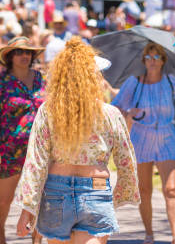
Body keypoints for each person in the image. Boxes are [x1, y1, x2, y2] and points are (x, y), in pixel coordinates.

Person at [15, 37, 139, 243]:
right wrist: (119, 195)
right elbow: (126, 160)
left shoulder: (48, 111)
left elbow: (35, 161)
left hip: (56, 189)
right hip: (96, 186)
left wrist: (27, 208)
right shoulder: (110, 113)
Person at [112, 42, 175, 244]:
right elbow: (115, 107)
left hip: (166, 139)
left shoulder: (171, 82)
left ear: (163, 60)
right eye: (148, 57)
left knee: (171, 189)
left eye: (156, 57)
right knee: (145, 190)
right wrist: (128, 113)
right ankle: (149, 234)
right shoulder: (135, 83)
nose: (152, 61)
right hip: (141, 139)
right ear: (143, 60)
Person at [0, 36, 45, 244]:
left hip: (39, 151)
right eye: (19, 52)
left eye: (28, 52)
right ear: (10, 56)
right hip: (8, 150)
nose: (24, 56)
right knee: (4, 198)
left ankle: (37, 239)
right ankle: (0, 234)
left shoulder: (41, 80)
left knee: (39, 199)